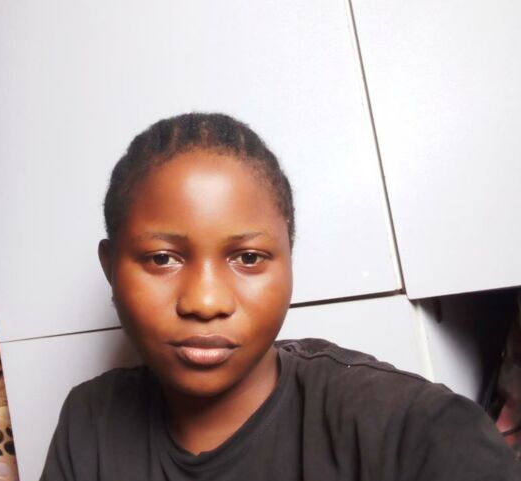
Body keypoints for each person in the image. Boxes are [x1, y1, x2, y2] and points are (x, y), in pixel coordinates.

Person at [40, 113, 519, 480]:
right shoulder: (90, 420)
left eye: (247, 258)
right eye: (162, 258)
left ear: (289, 258)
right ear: (110, 268)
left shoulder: (410, 427)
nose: (205, 302)